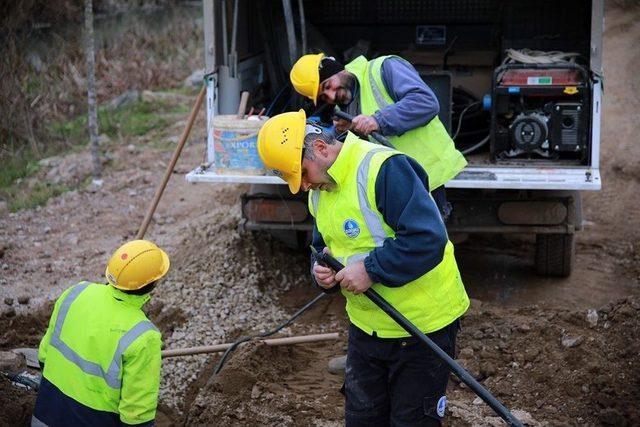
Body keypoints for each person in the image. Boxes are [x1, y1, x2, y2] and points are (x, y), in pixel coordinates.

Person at [257, 110, 470, 426]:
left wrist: (371, 269)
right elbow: (322, 246)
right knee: (362, 418)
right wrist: (321, 271)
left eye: (301, 173)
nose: (302, 186)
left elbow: (427, 238)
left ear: (320, 148)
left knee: (412, 420)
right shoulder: (321, 190)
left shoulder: (383, 168)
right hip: (367, 328)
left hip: (421, 326)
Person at [290, 53, 468, 219]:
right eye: (324, 96)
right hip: (396, 182)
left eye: (328, 86)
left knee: (428, 242)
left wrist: (378, 120)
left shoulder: (384, 68)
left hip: (427, 175)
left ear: (339, 69)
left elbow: (426, 102)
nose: (331, 95)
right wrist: (346, 131)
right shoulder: (346, 107)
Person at [32, 240, 170, 427]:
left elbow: (44, 356)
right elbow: (137, 414)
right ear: (153, 283)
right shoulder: (144, 336)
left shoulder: (75, 293)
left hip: (45, 414)